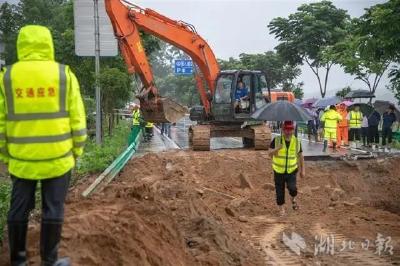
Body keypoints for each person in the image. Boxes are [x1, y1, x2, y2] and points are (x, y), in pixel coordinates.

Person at [0, 25, 86, 266]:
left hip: (22, 159)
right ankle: (50, 260)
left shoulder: (7, 76)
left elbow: (1, 122)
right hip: (58, 159)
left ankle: (17, 260)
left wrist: (6, 155)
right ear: (49, 44)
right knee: (53, 209)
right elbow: (77, 119)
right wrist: (76, 150)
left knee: (18, 209)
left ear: (21, 45)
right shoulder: (63, 74)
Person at [269, 121, 305, 217]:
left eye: (290, 129)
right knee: (279, 192)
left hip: (292, 170)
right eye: (286, 129)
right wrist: (277, 148)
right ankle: (282, 209)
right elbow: (269, 153)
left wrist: (302, 170)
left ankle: (293, 199)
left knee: (292, 188)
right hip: (278, 171)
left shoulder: (297, 142)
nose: (288, 132)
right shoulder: (276, 140)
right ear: (283, 130)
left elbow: (301, 156)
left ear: (293, 130)